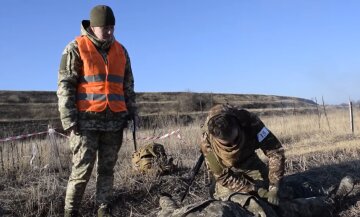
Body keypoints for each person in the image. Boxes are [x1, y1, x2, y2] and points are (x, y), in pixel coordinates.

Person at [199, 104, 354, 217]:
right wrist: (256, 190)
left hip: (249, 162)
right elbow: (223, 176)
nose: (233, 145)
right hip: (227, 175)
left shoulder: (249, 122)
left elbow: (275, 151)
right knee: (262, 207)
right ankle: (332, 202)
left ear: (239, 126)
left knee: (280, 193)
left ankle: (310, 196)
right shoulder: (207, 142)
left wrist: (273, 187)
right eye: (228, 144)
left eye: (235, 140)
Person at [57, 5, 137, 217]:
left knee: (107, 170)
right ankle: (70, 212)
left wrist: (132, 112)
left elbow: (128, 85)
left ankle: (104, 209)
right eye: (105, 28)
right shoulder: (75, 47)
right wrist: (68, 119)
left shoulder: (121, 51)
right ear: (93, 27)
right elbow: (65, 85)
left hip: (114, 121)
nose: (110, 32)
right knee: (81, 171)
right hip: (85, 123)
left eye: (112, 27)